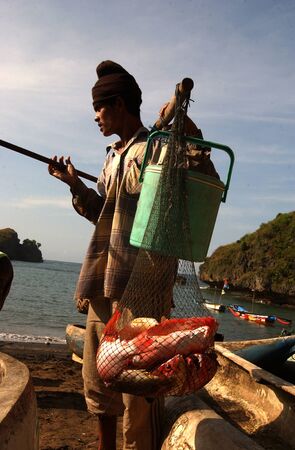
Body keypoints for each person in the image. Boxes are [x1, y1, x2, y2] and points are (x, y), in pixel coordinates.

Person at [48, 60, 163, 450]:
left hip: (139, 289)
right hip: (103, 281)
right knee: (99, 385)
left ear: (118, 104)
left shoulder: (153, 149)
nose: (95, 116)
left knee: (135, 390)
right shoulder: (112, 157)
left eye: (99, 107)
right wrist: (74, 185)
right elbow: (104, 215)